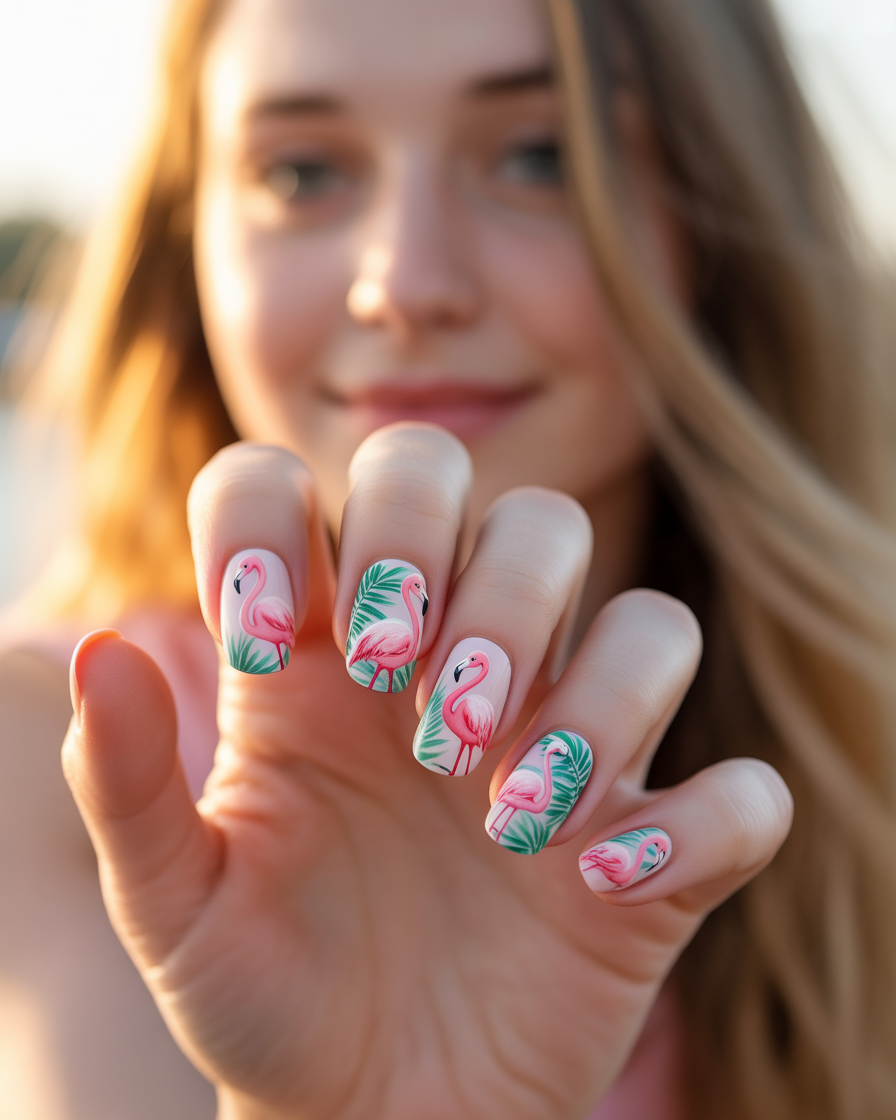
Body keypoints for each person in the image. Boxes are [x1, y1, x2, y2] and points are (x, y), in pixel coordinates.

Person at [1, 0, 894, 1116]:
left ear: (715, 222)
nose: (403, 282)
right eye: (298, 172)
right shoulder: (64, 750)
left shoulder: (867, 736)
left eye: (538, 154)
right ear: (190, 241)